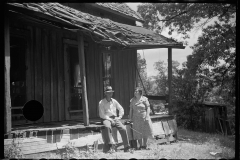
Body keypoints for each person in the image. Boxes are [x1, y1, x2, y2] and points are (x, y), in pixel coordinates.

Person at [99, 86, 131, 153]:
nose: (110, 94)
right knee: (107, 127)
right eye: (108, 93)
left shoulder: (114, 101)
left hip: (114, 118)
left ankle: (126, 147)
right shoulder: (101, 102)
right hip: (106, 118)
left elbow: (121, 108)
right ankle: (109, 147)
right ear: (105, 93)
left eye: (111, 93)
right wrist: (110, 120)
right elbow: (102, 114)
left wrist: (119, 117)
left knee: (123, 129)